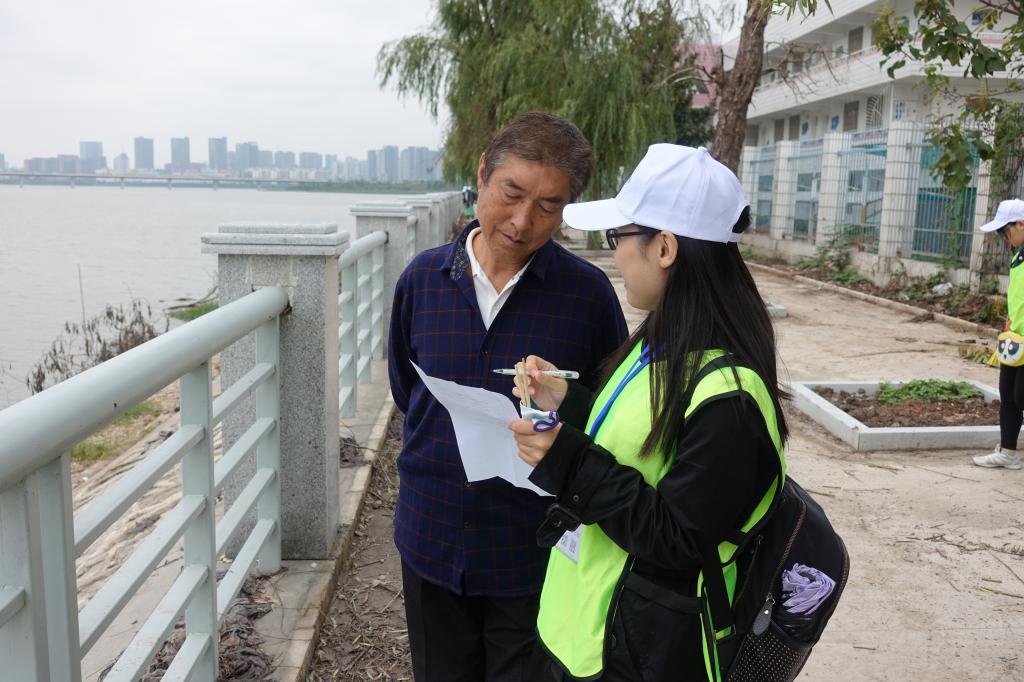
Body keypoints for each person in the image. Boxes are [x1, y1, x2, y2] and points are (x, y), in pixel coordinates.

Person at [508, 144, 788, 681]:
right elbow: (639, 445)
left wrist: (567, 460)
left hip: (641, 654)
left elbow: (679, 538)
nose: (616, 257)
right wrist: (567, 401)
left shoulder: (731, 395)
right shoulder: (662, 343)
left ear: (663, 247)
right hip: (588, 634)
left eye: (618, 238)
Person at [387, 111, 629, 681]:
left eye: (548, 206)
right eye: (511, 194)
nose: (522, 221)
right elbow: (407, 392)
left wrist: (563, 399)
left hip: (534, 551)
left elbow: (611, 414)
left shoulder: (587, 296)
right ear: (482, 175)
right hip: (431, 535)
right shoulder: (421, 281)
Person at [974, 198, 1024, 469]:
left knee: (1021, 396)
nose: (1005, 237)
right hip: (1015, 339)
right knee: (1008, 396)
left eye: (1006, 231)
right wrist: (1009, 323)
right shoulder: (1018, 255)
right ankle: (1008, 453)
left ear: (1021, 224)